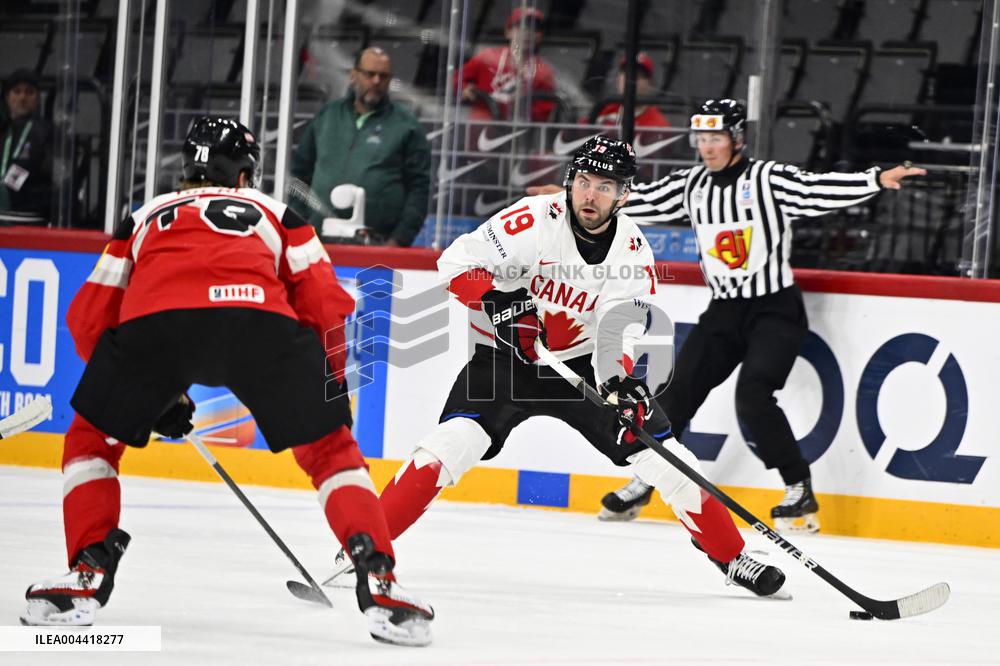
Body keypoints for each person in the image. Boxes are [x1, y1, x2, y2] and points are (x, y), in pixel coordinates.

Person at [20, 117, 433, 647]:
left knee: (89, 442)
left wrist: (150, 395)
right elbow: (327, 306)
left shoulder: (144, 216)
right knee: (332, 454)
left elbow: (88, 317)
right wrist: (327, 394)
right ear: (244, 173)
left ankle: (85, 574)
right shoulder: (280, 214)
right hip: (259, 324)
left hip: (156, 326)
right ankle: (378, 575)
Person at [329, 136, 790, 601]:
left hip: (583, 368)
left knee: (670, 462)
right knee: (447, 448)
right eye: (584, 182)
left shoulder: (632, 250)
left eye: (605, 187)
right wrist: (501, 302)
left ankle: (732, 557)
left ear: (624, 194)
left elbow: (619, 326)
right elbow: (455, 263)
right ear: (571, 181)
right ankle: (363, 551)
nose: (590, 195)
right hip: (504, 361)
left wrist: (618, 382)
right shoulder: (531, 221)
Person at [591, 99, 927, 532]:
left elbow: (817, 190)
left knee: (753, 396)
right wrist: (584, 197)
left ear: (737, 138)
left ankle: (798, 489)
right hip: (724, 311)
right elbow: (642, 202)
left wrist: (875, 178)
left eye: (715, 138)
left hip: (774, 309)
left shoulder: (767, 179)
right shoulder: (692, 185)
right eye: (701, 139)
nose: (707, 147)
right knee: (675, 396)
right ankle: (646, 479)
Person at [290, 47, 431, 247]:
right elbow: (299, 173)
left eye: (383, 76)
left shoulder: (406, 125)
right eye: (370, 74)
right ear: (353, 75)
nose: (376, 81)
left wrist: (398, 240)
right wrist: (301, 225)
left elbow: (419, 188)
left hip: (377, 245)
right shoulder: (328, 115)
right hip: (317, 241)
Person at [458, 7, 557, 122]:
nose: (527, 32)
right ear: (507, 32)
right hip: (479, 131)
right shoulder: (487, 58)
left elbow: (544, 114)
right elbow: (455, 79)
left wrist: (523, 105)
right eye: (520, 27)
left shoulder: (544, 72)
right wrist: (465, 88)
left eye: (534, 29)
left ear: (540, 36)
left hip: (518, 134)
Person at [0, 69, 52, 225]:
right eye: (17, 92)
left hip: (27, 216)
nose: (22, 98)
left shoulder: (46, 133)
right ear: (8, 98)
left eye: (29, 92)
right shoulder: (3, 130)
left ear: (37, 99)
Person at [591, 52, 671, 129]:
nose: (630, 80)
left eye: (638, 76)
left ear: (650, 83)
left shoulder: (658, 124)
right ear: (618, 78)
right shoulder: (603, 110)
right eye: (626, 74)